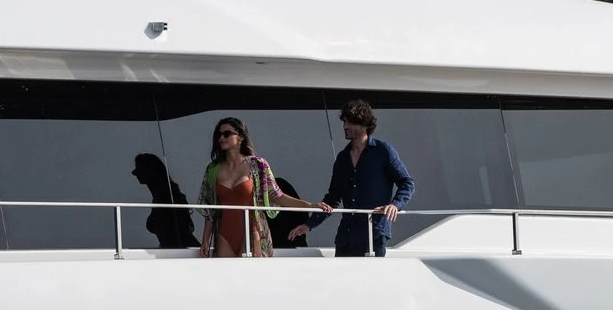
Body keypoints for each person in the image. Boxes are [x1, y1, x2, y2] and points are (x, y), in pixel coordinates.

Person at [197, 117, 319, 258]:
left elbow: (277, 196)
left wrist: (311, 205)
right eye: (219, 135)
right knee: (227, 277)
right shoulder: (213, 169)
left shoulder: (258, 165)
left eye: (227, 134)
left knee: (251, 276)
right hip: (224, 233)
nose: (221, 138)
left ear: (241, 137)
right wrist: (205, 239)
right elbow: (210, 209)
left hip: (252, 230)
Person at [318, 98, 415, 257]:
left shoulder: (383, 151)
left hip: (373, 236)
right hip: (345, 238)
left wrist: (395, 205)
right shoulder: (342, 158)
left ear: (364, 125)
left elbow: (407, 183)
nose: (345, 126)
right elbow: (332, 198)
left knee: (372, 282)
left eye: (350, 123)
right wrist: (309, 225)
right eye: (344, 122)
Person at [131, 152, 197, 250]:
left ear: (149, 171)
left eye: (139, 169)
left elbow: (179, 230)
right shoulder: (162, 196)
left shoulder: (168, 196)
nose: (135, 174)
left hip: (182, 252)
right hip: (175, 251)